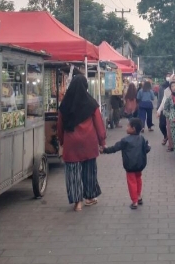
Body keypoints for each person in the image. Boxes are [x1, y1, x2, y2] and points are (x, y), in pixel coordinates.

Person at [57, 74, 107, 211]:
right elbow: (98, 123)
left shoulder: (65, 104)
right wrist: (103, 142)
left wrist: (62, 141)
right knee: (89, 171)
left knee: (73, 173)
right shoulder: (91, 103)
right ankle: (89, 198)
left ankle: (77, 202)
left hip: (71, 143)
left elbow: (60, 125)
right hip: (88, 143)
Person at [100, 118, 151, 209]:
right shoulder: (142, 139)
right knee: (138, 179)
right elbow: (147, 149)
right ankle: (139, 196)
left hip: (129, 166)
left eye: (128, 126)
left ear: (133, 129)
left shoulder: (125, 140)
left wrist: (104, 150)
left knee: (131, 182)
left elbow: (115, 148)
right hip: (140, 164)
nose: (126, 128)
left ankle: (134, 201)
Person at [157, 75, 175, 150]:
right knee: (170, 130)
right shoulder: (167, 91)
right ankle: (171, 146)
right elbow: (164, 102)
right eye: (174, 79)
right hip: (170, 113)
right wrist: (159, 110)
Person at [157, 76, 171, 145]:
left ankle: (172, 144)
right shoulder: (162, 87)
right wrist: (158, 109)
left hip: (172, 109)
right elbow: (160, 98)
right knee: (161, 125)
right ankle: (165, 135)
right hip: (163, 108)